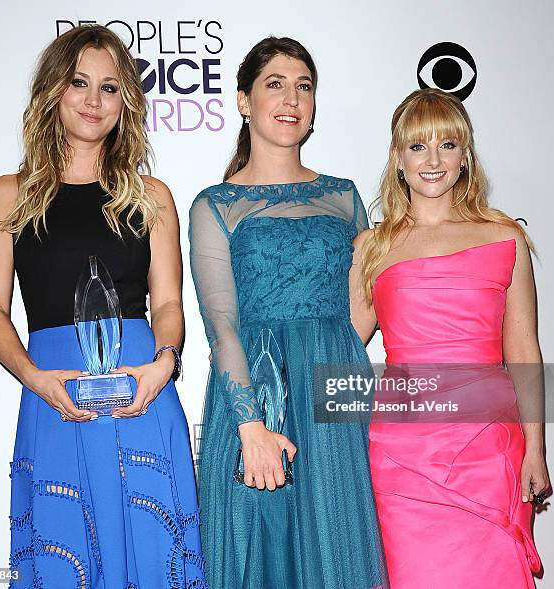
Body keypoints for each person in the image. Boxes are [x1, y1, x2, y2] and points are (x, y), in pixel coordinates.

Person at [0, 25, 205, 588]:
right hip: (54, 395)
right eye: (79, 83)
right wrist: (34, 378)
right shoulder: (9, 194)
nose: (93, 101)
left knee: (153, 558)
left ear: (125, 100)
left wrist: (163, 365)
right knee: (65, 557)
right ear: (53, 91)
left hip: (142, 394)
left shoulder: (151, 196)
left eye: (108, 87)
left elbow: (169, 302)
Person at [189, 36, 388, 589]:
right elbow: (221, 325)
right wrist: (251, 424)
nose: (292, 98)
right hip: (253, 393)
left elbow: (363, 303)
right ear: (243, 100)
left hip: (334, 394)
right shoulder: (214, 204)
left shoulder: (344, 196)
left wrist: (334, 364)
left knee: (340, 551)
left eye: (304, 87)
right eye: (275, 84)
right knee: (261, 555)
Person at [351, 88, 550, 588]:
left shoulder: (505, 238)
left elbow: (524, 351)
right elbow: (346, 345)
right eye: (418, 147)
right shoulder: (372, 246)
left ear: (466, 156)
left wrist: (536, 450)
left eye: (447, 144)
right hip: (403, 453)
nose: (433, 160)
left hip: (489, 447)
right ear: (399, 159)